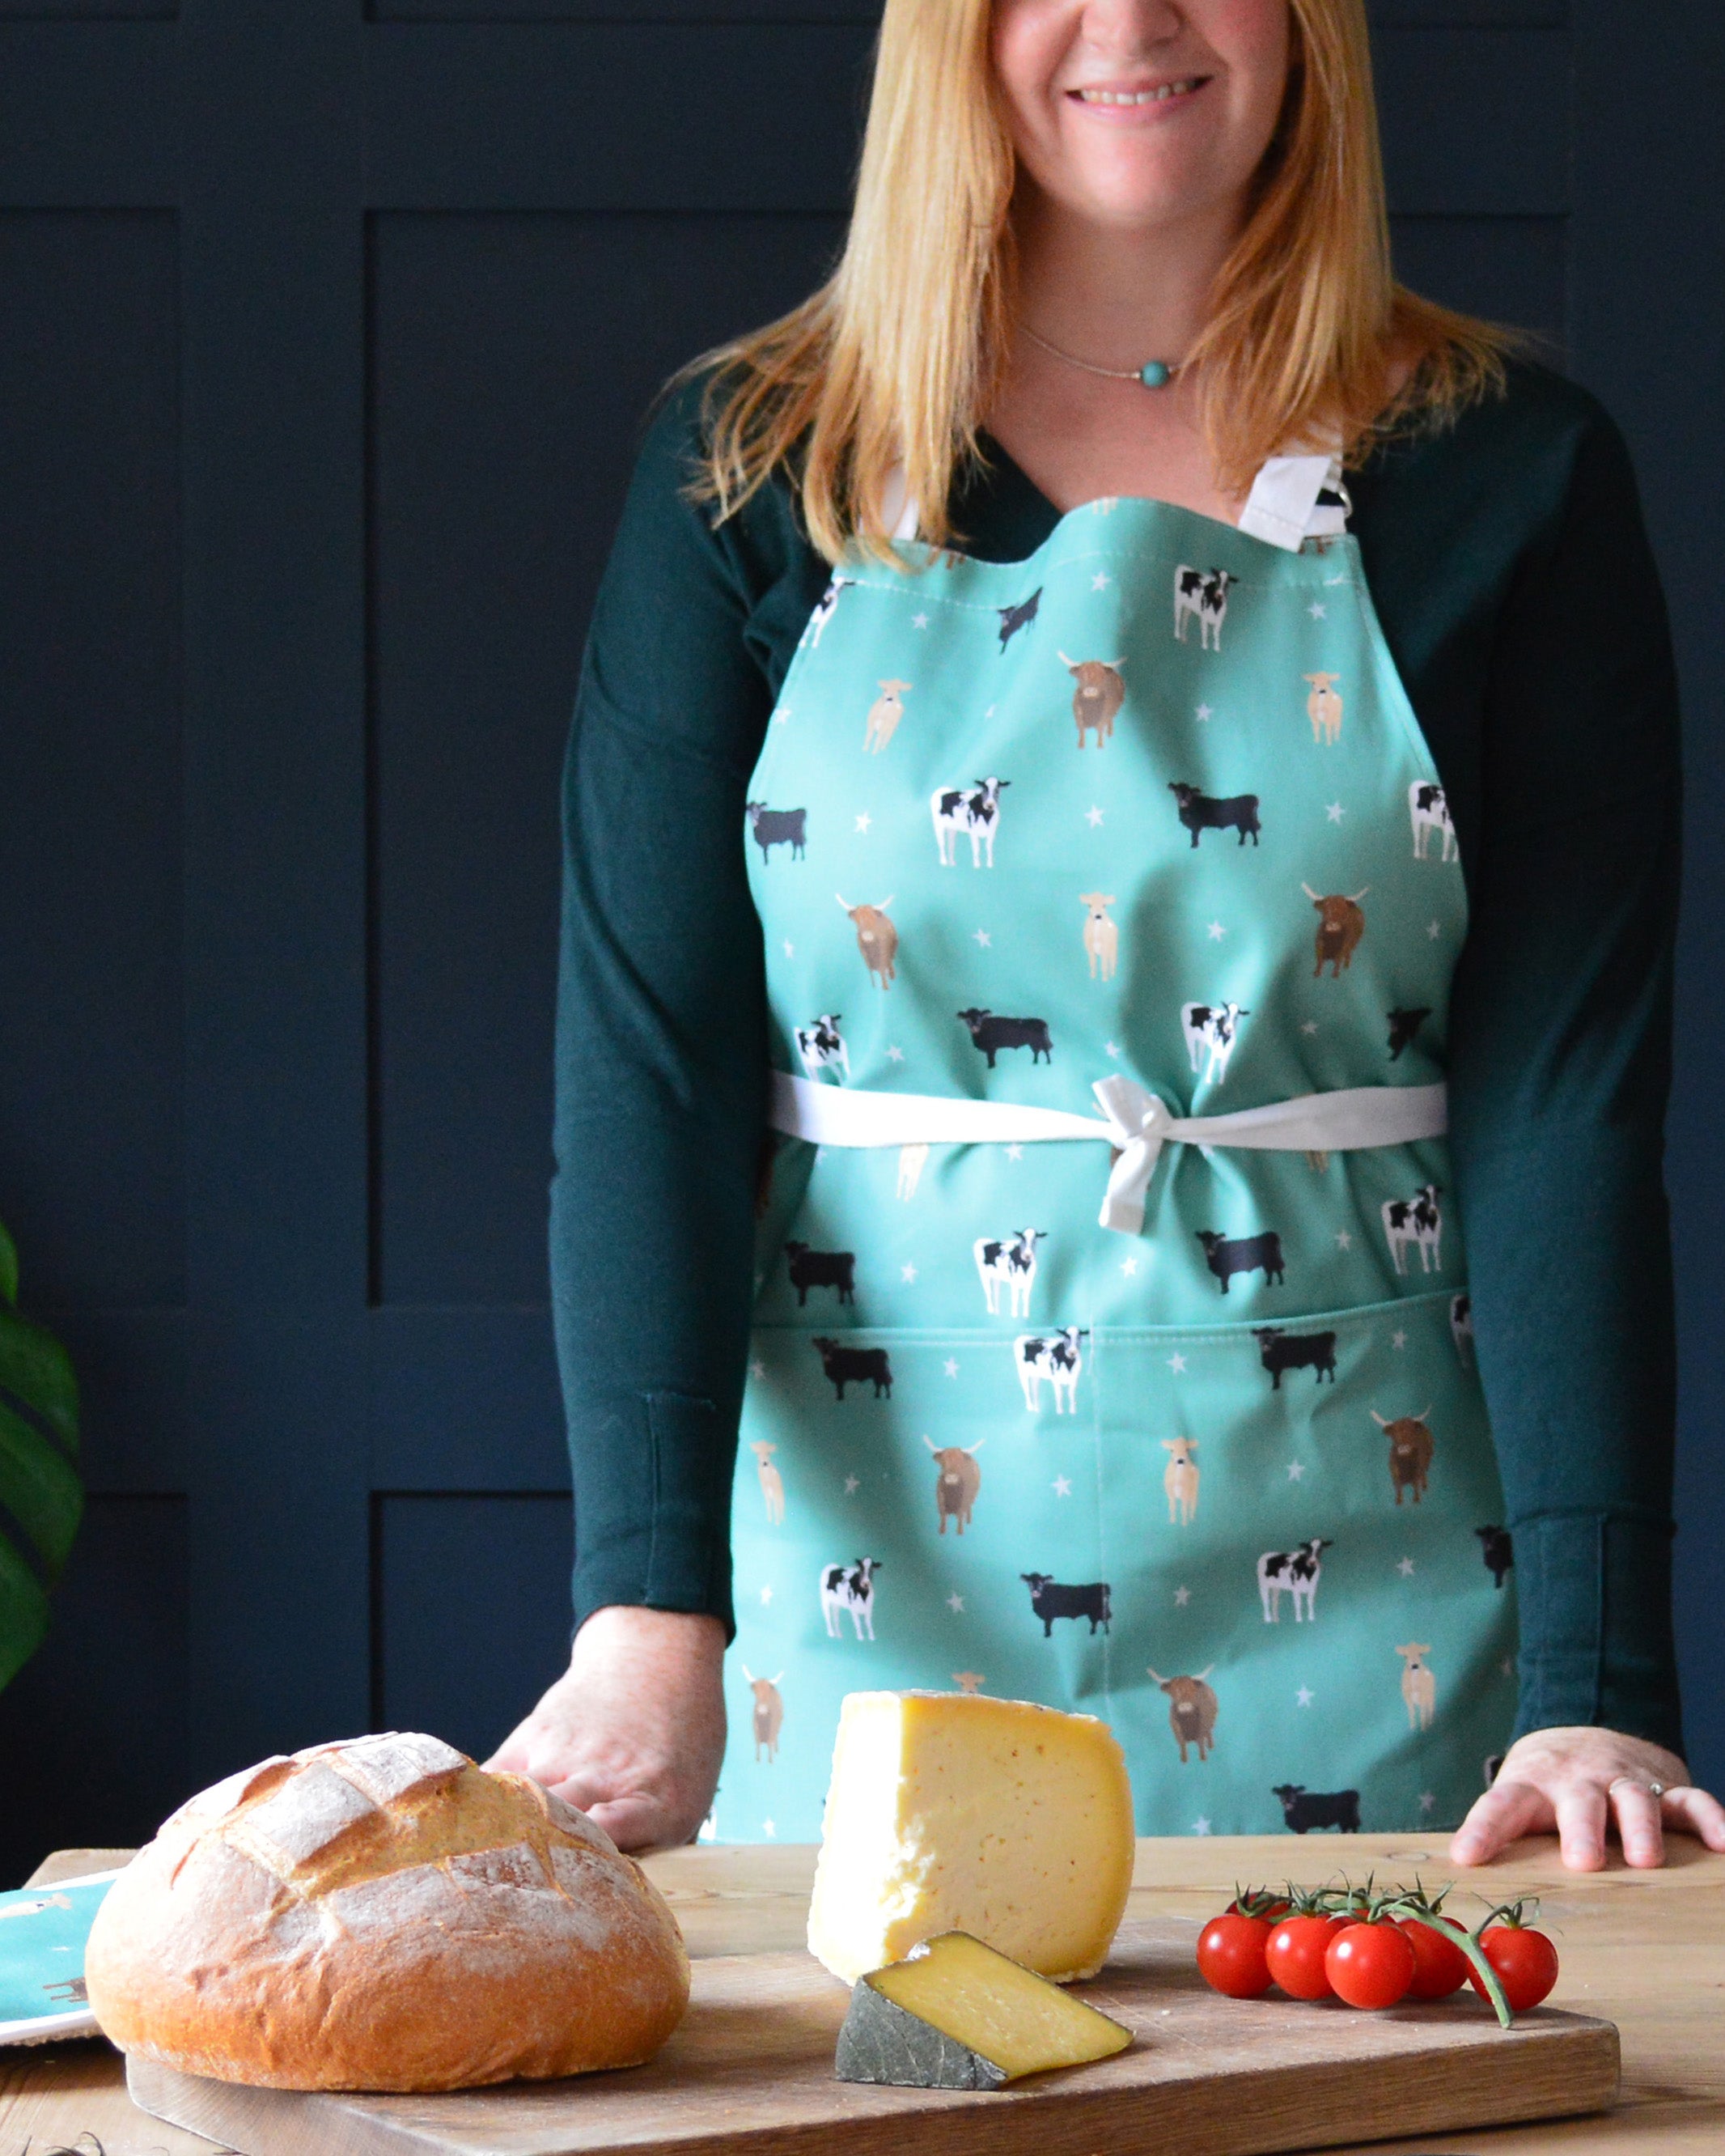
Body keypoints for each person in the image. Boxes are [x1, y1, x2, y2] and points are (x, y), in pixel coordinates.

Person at [490, 0, 1725, 1872]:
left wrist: (1600, 1678)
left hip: (1382, 1584)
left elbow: (1565, 1110)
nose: (1131, 21)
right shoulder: (757, 466)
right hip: (857, 1591)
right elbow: (650, 1071)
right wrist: (644, 1611)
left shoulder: (1511, 470)